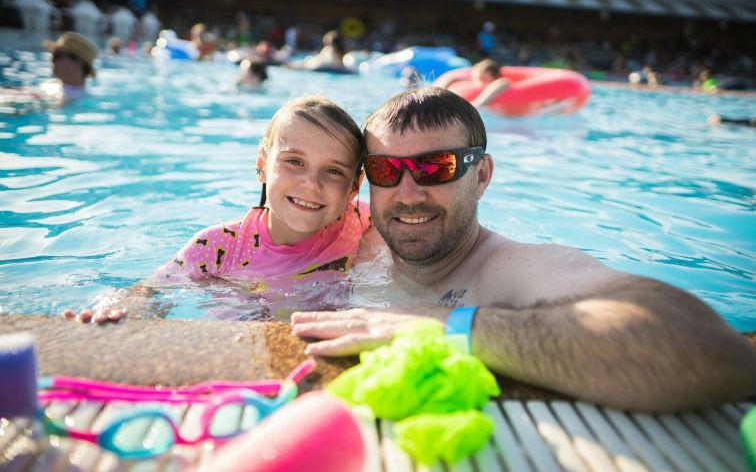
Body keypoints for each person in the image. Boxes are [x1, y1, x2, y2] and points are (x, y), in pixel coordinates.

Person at [291, 87, 756, 412]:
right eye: (386, 171)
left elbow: (713, 352)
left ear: (483, 175)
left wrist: (441, 325)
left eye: (437, 167)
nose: (408, 194)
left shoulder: (512, 269)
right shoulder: (360, 242)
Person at [67, 96, 371, 323]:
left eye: (333, 171)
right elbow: (154, 290)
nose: (311, 183)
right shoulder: (219, 246)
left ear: (353, 187)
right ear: (263, 166)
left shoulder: (363, 222)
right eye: (294, 161)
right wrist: (113, 310)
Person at [0, 31, 98, 110]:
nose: (51, 59)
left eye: (57, 55)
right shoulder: (53, 83)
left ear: (78, 62)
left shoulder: (77, 97)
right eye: (52, 54)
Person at [434, 59, 510, 108]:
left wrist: (475, 105)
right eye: (476, 78)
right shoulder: (468, 83)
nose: (478, 82)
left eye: (483, 79)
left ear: (494, 78)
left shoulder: (500, 83)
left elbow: (503, 83)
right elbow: (451, 78)